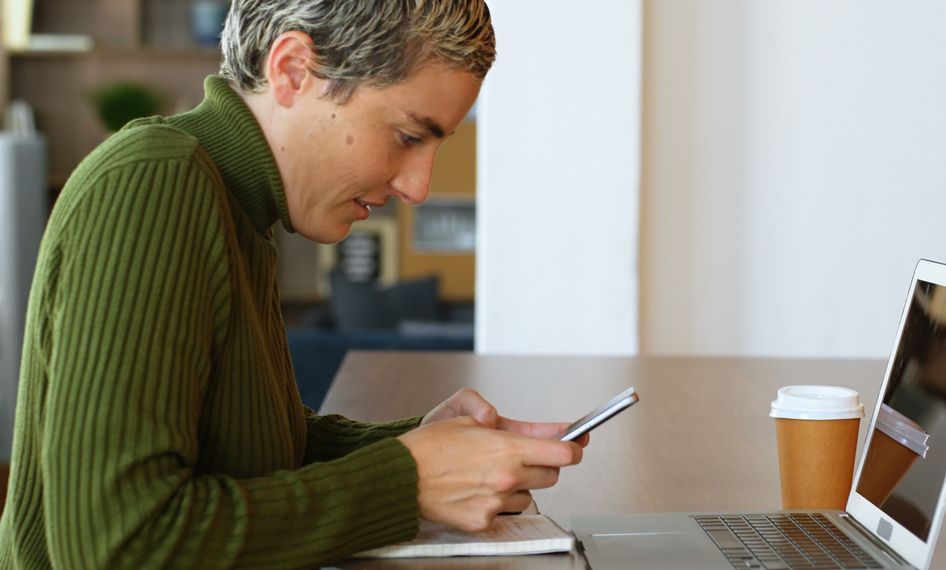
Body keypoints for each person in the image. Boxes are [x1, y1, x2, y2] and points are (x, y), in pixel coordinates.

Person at [0, 1, 586, 568]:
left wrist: (429, 448)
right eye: (409, 136)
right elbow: (118, 543)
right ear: (293, 71)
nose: (418, 186)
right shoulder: (157, 182)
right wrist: (404, 483)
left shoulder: (238, 205)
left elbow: (247, 451)